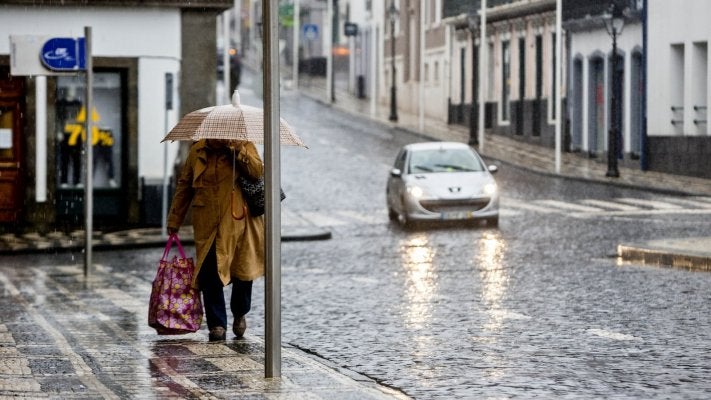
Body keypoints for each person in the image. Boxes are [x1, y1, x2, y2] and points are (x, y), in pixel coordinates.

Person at [167, 138, 264, 341]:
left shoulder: (243, 145)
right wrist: (174, 219)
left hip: (239, 221)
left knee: (242, 273)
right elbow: (185, 185)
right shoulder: (198, 151)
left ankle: (240, 312)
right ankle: (217, 324)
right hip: (207, 223)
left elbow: (257, 171)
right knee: (209, 273)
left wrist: (238, 151)